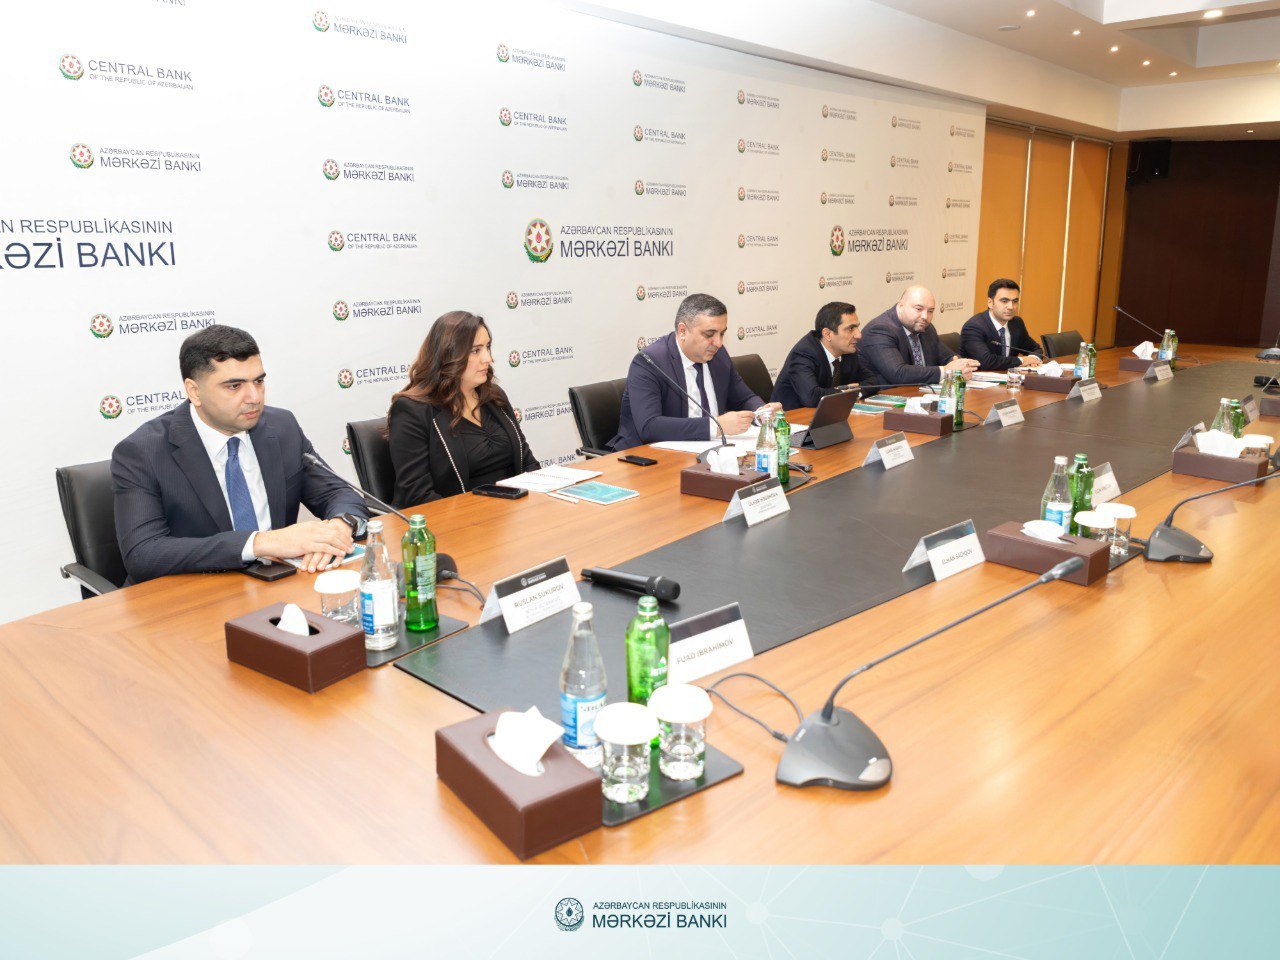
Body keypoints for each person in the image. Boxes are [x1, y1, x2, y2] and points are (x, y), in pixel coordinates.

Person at [111, 325, 369, 584]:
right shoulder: (143, 452)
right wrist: (260, 543)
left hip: (278, 582)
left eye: (259, 381)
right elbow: (143, 554)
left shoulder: (282, 428)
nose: (254, 397)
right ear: (194, 391)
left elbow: (337, 493)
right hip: (197, 591)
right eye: (234, 386)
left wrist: (340, 527)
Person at [388, 310, 539, 506]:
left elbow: (528, 464)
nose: (488, 358)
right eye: (476, 351)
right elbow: (417, 496)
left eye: (487, 347)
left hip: (512, 513)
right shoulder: (411, 410)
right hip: (459, 519)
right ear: (449, 355)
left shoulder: (494, 396)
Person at [608, 293, 780, 451]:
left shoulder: (718, 355)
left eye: (722, 334)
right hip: (648, 457)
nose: (718, 343)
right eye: (710, 334)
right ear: (683, 331)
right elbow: (649, 427)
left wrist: (762, 413)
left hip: (707, 452)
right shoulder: (649, 362)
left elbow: (744, 398)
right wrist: (716, 426)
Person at [859, 285, 979, 385]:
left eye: (930, 311)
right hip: (885, 398)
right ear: (900, 306)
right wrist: (946, 370)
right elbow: (899, 373)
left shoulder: (926, 328)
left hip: (919, 394)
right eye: (918, 309)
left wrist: (960, 365)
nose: (925, 316)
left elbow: (947, 357)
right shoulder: (880, 330)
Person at [771, 301, 881, 410]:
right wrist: (848, 391)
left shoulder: (848, 351)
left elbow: (873, 381)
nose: (859, 335)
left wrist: (853, 392)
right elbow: (812, 397)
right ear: (828, 334)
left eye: (857, 327)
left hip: (828, 414)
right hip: (791, 418)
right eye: (851, 329)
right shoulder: (803, 354)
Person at [960, 279, 1044, 371]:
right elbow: (986, 362)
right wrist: (1022, 360)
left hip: (1009, 377)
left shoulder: (1016, 323)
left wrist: (1033, 359)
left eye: (1015, 301)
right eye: (1004, 301)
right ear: (990, 303)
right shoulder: (974, 327)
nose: (1011, 307)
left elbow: (1035, 349)